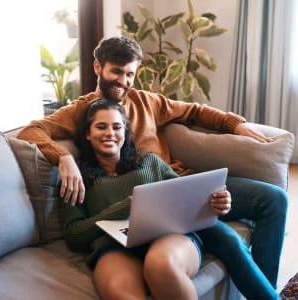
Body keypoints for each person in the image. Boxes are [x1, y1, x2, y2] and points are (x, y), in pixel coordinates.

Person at [18, 36, 288, 289]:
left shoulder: (147, 101)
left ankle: (270, 290)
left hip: (182, 186)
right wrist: (63, 157)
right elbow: (31, 132)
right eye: (117, 71)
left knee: (274, 199)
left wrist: (233, 125)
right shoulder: (82, 111)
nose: (123, 81)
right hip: (149, 210)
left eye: (130, 74)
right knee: (226, 240)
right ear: (98, 67)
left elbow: (194, 112)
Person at [59, 98, 279, 299]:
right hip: (114, 248)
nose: (110, 133)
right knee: (121, 293)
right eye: (101, 127)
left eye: (117, 127)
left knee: (162, 266)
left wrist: (218, 203)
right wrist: (126, 206)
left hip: (168, 237)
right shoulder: (76, 179)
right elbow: (74, 235)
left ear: (125, 132)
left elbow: (188, 197)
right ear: (87, 133)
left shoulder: (150, 162)